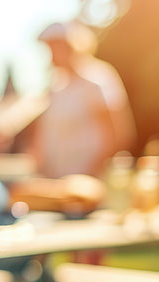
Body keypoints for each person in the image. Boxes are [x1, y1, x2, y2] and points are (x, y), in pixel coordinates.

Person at [27, 21, 136, 179]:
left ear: (71, 47)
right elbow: (43, 138)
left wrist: (89, 174)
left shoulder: (98, 80)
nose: (51, 56)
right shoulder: (56, 88)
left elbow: (118, 135)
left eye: (55, 48)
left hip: (92, 184)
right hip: (59, 185)